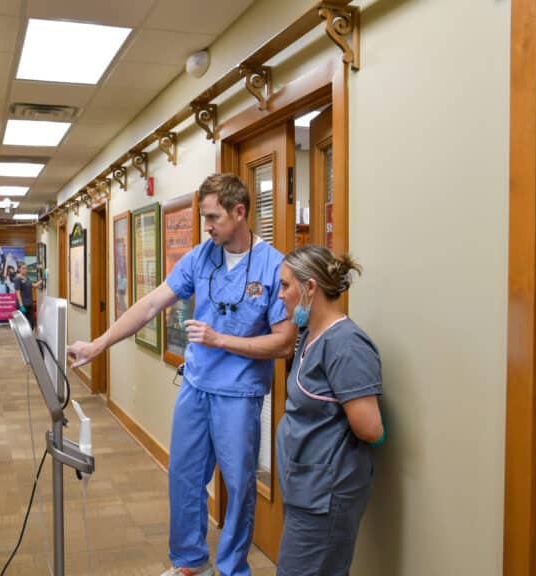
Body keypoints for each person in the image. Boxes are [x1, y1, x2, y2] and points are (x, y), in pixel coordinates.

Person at [67, 173, 295, 576]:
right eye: (204, 217)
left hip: (238, 395)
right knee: (185, 477)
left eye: (213, 218)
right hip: (195, 386)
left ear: (240, 212)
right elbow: (152, 304)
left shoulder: (273, 266)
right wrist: (98, 344)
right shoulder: (201, 256)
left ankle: (232, 569)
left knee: (240, 487)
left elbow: (283, 343)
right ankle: (190, 563)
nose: (207, 227)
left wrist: (220, 340)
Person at [275, 245, 384, 576]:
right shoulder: (310, 335)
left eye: (285, 285)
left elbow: (370, 428)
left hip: (324, 495)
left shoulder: (345, 345)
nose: (279, 296)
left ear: (310, 288)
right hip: (305, 489)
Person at [14, 262, 41, 328]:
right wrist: (21, 305)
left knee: (31, 325)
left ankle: (29, 338)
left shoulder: (27, 278)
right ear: (19, 269)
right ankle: (23, 338)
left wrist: (42, 278)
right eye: (23, 268)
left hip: (29, 304)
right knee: (23, 325)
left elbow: (35, 285)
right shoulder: (17, 279)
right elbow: (18, 293)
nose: (25, 270)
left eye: (26, 268)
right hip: (23, 305)